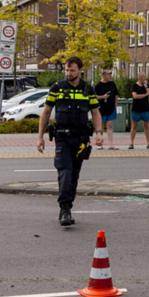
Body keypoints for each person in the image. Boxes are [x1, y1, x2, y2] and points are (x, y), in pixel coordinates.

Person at [37, 56, 104, 225]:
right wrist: (40, 137)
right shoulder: (57, 87)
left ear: (80, 70)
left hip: (81, 139)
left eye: (72, 70)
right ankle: (64, 209)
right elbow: (45, 112)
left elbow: (95, 112)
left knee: (74, 175)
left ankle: (68, 207)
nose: (68, 73)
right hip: (62, 138)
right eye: (66, 70)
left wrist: (99, 132)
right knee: (65, 172)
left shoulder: (87, 89)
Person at [94, 69, 119, 150]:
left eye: (111, 75)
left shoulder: (112, 84)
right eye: (109, 75)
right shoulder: (98, 85)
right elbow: (94, 96)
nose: (110, 76)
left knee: (110, 125)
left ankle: (111, 143)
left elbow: (115, 95)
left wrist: (115, 105)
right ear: (104, 76)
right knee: (101, 125)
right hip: (101, 108)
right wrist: (102, 97)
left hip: (111, 108)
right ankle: (100, 143)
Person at [128, 72, 149, 149]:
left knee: (146, 126)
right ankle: (131, 143)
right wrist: (145, 95)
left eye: (146, 77)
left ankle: (148, 143)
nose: (145, 79)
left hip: (145, 109)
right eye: (144, 78)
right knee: (134, 126)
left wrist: (146, 86)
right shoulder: (134, 86)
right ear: (139, 78)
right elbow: (135, 96)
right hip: (136, 109)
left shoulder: (147, 86)